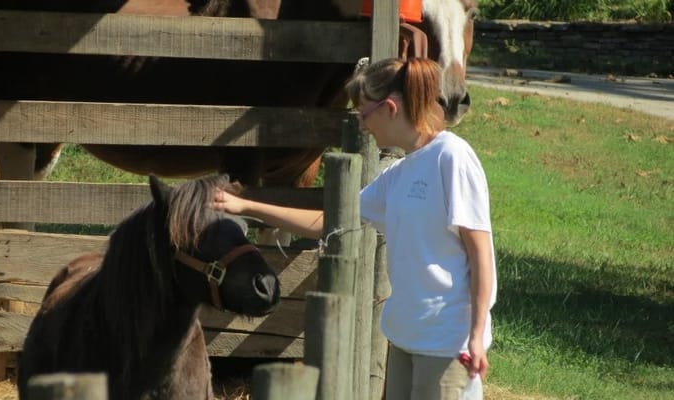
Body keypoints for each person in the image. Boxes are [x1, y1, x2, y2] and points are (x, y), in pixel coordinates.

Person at [213, 57, 497, 400]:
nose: (363, 125)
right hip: (405, 336)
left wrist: (476, 334)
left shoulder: (452, 157)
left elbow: (480, 251)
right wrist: (247, 206)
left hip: (447, 343)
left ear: (390, 107)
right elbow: (331, 220)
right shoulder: (398, 175)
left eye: (363, 113)